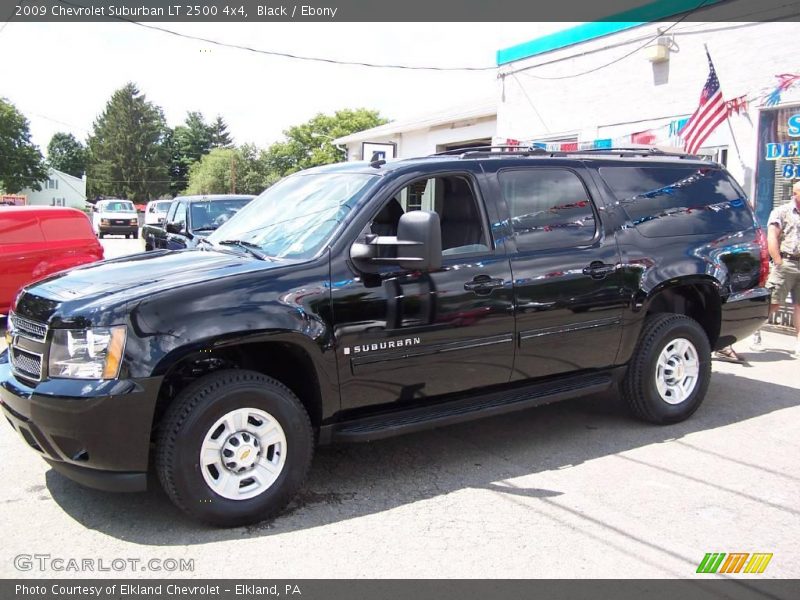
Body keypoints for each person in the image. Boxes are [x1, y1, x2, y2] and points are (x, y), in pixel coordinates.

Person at [752, 180, 800, 356]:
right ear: (795, 194)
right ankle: (755, 332)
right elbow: (772, 236)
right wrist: (778, 261)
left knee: (799, 305)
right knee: (773, 302)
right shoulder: (781, 212)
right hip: (786, 262)